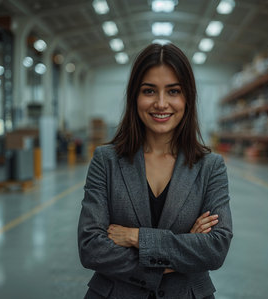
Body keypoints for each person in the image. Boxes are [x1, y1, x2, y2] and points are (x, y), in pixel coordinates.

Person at [78, 43, 233, 299]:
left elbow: (215, 249)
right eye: (149, 91)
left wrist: (136, 237)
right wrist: (179, 253)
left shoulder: (210, 166)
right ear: (134, 97)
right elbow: (91, 247)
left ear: (187, 98)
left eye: (173, 91)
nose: (161, 103)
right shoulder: (106, 161)